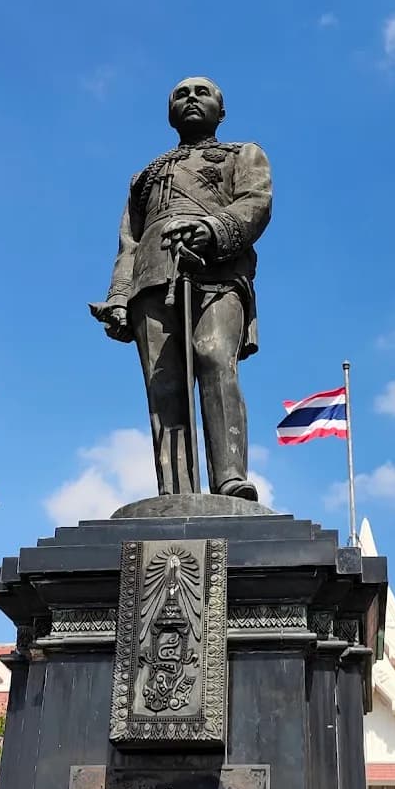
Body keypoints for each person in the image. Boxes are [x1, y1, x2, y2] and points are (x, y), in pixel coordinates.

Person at [90, 76, 272, 501]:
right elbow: (129, 242)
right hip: (152, 280)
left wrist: (212, 228)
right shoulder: (145, 176)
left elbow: (255, 204)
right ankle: (175, 490)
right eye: (181, 94)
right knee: (165, 385)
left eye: (202, 92)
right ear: (169, 111)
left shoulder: (243, 154)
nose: (191, 98)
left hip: (218, 272)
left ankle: (229, 478)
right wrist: (119, 295)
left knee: (213, 356)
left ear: (221, 111)